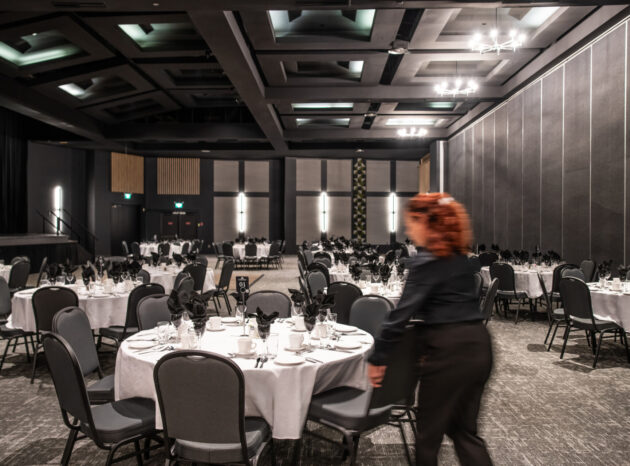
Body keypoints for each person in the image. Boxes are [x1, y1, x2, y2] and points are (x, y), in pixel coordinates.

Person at [368, 192, 493, 466]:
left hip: (449, 353)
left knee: (427, 438)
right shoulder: (460, 257)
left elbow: (399, 316)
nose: (409, 229)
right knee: (464, 432)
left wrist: (378, 358)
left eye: (412, 222)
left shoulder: (427, 261)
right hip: (479, 347)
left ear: (426, 222)